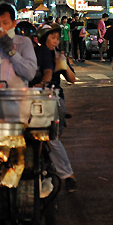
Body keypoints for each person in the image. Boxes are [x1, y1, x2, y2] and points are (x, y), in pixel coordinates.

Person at [33, 23, 78, 191]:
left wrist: (64, 65)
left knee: (52, 138)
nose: (55, 41)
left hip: (54, 99)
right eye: (52, 38)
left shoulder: (58, 56)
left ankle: (68, 175)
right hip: (32, 99)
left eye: (57, 38)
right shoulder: (35, 54)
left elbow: (72, 79)